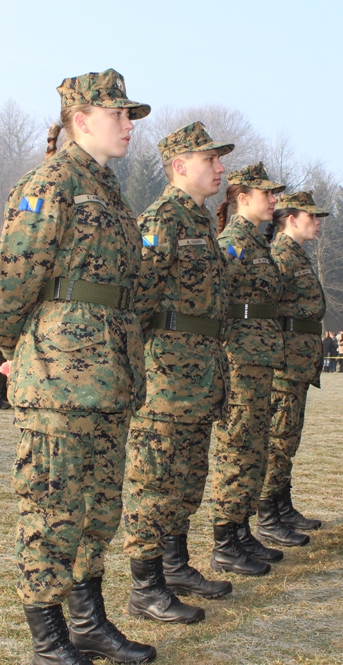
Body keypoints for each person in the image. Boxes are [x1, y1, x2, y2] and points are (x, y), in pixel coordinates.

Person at [0, 68, 155, 665]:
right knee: (52, 506)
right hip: (58, 374)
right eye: (118, 115)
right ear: (81, 120)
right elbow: (12, 275)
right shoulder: (52, 182)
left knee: (99, 506)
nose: (129, 126)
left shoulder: (106, 189)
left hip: (108, 376)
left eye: (130, 116)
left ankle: (88, 621)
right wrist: (5, 349)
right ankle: (48, 640)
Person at [119, 122, 235, 625]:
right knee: (155, 480)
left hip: (200, 372)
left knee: (187, 478)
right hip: (167, 376)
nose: (220, 168)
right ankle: (146, 587)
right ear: (179, 165)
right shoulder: (161, 219)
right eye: (211, 159)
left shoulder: (202, 221)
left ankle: (175, 567)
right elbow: (138, 299)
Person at [205, 161, 287, 579]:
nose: (274, 201)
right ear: (243, 199)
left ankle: (239, 530)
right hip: (240, 358)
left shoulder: (257, 243)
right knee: (237, 445)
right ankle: (224, 540)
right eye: (267, 194)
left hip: (258, 358)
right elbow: (218, 298)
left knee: (254, 445)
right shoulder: (233, 243)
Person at [259, 191, 330, 549]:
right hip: (285, 363)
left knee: (289, 438)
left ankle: (282, 506)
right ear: (291, 219)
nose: (317, 222)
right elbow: (265, 308)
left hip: (298, 363)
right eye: (312, 216)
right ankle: (268, 515)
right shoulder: (280, 257)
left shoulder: (296, 256)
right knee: (278, 439)